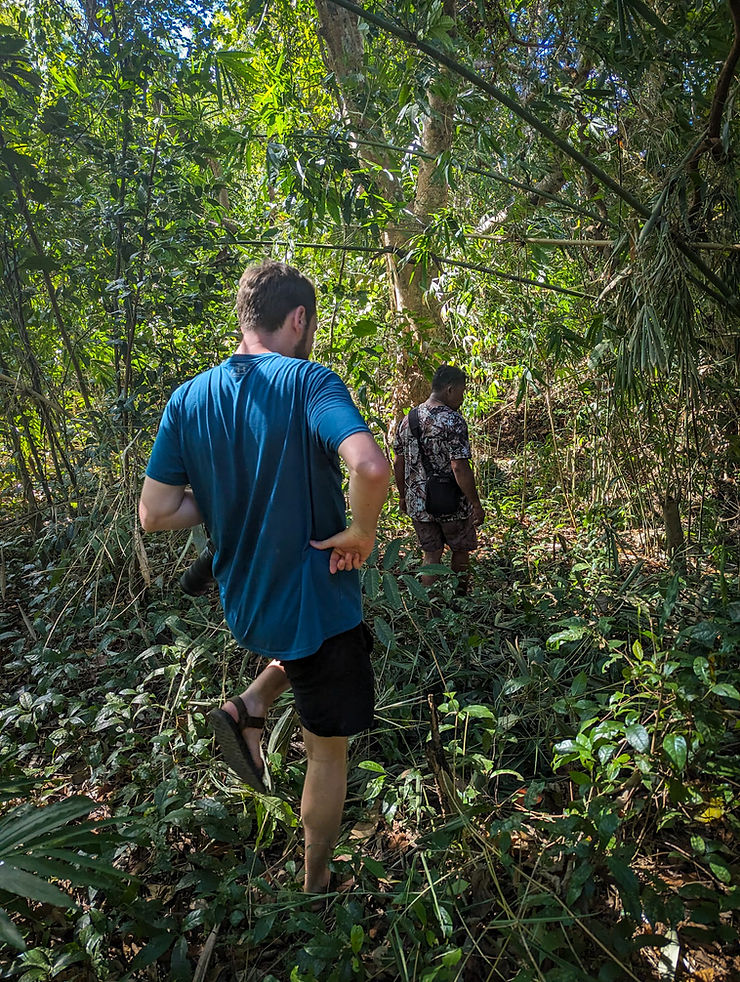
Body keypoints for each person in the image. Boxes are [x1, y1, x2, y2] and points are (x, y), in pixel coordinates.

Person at [138, 260, 390, 897]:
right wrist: (361, 533)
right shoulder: (310, 382)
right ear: (298, 318)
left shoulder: (189, 398)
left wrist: (225, 499)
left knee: (314, 650)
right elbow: (370, 466)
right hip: (312, 600)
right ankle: (316, 881)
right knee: (327, 752)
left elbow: (156, 512)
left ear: (245, 319)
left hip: (248, 600)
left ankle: (248, 706)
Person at [393, 364, 484, 594]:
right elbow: (459, 467)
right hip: (451, 502)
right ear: (450, 389)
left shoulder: (407, 419)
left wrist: (404, 496)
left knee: (431, 554)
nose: (462, 399)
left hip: (419, 503)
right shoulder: (453, 421)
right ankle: (460, 599)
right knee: (460, 549)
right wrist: (475, 503)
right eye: (462, 392)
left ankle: (430, 606)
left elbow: (398, 462)